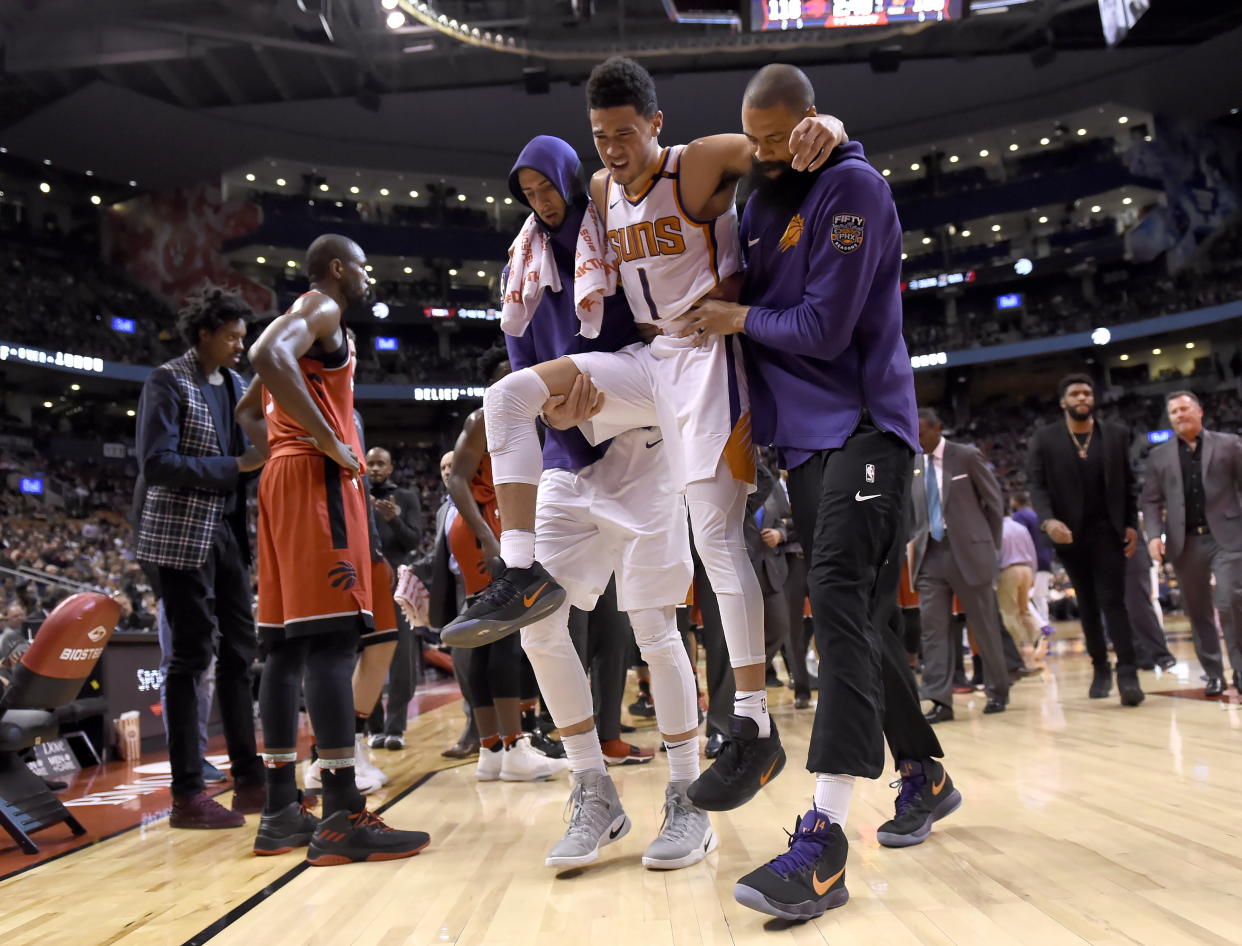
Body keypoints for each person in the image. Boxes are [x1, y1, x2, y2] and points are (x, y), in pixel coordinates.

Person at [449, 58, 846, 815]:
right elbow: (554, 225)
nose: (614, 150)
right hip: (645, 361)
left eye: (626, 134)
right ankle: (521, 571)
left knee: (717, 538)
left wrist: (826, 128)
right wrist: (571, 404)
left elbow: (763, 146)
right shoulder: (598, 190)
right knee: (508, 399)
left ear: (655, 125)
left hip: (707, 359)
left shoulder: (692, 166)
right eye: (601, 137)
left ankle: (753, 724)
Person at [666, 64, 957, 920]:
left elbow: (824, 331)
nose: (762, 152)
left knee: (832, 594)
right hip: (801, 448)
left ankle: (824, 841)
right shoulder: (756, 201)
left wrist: (733, 318)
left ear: (810, 122)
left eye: (777, 136)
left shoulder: (853, 185)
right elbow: (690, 166)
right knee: (859, 620)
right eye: (750, 139)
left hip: (867, 427)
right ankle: (925, 775)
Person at [480, 134, 710, 869]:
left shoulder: (614, 228)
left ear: (571, 179)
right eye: (528, 191)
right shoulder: (522, 262)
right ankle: (593, 788)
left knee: (654, 627)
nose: (541, 201)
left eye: (547, 186)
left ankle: (686, 797)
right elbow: (524, 371)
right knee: (538, 627)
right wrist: (552, 413)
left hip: (638, 437)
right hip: (568, 453)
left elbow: (659, 321)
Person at [247, 234, 429, 864]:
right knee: (328, 642)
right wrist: (326, 440)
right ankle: (341, 816)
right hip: (315, 483)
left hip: (280, 480)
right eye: (362, 263)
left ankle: (278, 811)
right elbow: (265, 354)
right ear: (335, 268)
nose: (367, 272)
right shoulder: (320, 307)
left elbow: (251, 410)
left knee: (283, 649)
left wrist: (281, 451)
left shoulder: (305, 322)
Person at [134, 285, 266, 830]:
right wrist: (234, 467)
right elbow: (157, 463)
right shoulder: (167, 380)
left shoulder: (237, 384)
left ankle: (252, 781)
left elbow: (251, 457)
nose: (240, 345)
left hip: (229, 536)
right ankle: (188, 793)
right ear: (205, 333)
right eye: (232, 336)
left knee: (240, 653)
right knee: (190, 661)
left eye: (243, 336)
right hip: (178, 536)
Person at [446, 347, 568, 783]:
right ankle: (515, 747)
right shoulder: (483, 418)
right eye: (504, 374)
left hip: (496, 524)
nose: (513, 379)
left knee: (487, 638)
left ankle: (492, 751)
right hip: (485, 524)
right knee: (502, 635)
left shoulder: (533, 416)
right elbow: (457, 477)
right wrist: (485, 535)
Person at [1026, 374, 1144, 706]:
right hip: (1069, 534)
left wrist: (1132, 524)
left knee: (1113, 600)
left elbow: (1129, 485)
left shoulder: (1116, 435)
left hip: (1108, 531)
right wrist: (1048, 522)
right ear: (1063, 401)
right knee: (1088, 604)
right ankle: (1100, 668)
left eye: (1087, 393)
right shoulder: (1045, 439)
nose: (1082, 397)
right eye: (1075, 393)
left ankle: (1128, 672)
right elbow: (1036, 486)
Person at [908, 409, 1011, 721]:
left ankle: (998, 690)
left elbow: (994, 505)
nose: (917, 439)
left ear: (938, 429)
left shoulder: (966, 456)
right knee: (932, 631)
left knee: (984, 626)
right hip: (930, 556)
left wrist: (987, 547)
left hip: (970, 553)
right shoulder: (912, 465)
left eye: (922, 432)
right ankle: (940, 699)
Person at [1141, 390, 1242, 695]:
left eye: (1185, 409)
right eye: (1174, 412)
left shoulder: (1230, 444)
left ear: (1200, 411)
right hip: (1184, 542)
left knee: (1231, 601)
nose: (1180, 415)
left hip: (1227, 535)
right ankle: (1212, 673)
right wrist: (1154, 536)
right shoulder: (1159, 456)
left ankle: (1240, 670)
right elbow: (1150, 501)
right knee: (1197, 610)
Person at [364, 446, 423, 748]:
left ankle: (395, 727)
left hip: (398, 585)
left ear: (390, 468)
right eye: (370, 463)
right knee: (368, 656)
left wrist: (393, 521)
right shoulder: (357, 496)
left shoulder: (407, 497)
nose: (374, 468)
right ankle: (374, 727)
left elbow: (413, 540)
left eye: (380, 463)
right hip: (366, 585)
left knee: (402, 660)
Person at [998, 511, 1044, 669]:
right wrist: (1033, 574)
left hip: (1008, 570)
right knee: (1024, 609)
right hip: (1026, 569)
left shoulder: (997, 529)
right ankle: (1040, 632)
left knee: (1009, 612)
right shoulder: (1020, 527)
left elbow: (997, 554)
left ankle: (1016, 650)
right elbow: (1032, 551)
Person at [1009, 490, 1054, 641]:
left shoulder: (1019, 516)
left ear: (1015, 501)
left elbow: (1019, 536)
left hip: (1031, 560)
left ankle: (1042, 627)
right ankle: (1045, 630)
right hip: (1046, 559)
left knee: (1023, 598)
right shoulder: (1036, 515)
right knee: (1040, 597)